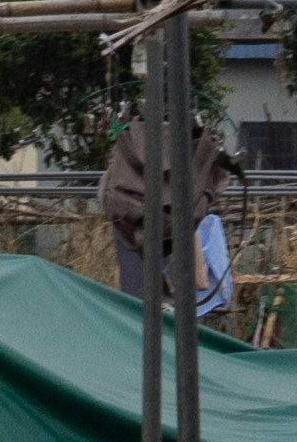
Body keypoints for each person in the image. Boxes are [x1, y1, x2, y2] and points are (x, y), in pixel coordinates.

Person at [100, 111, 236, 319]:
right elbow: (199, 279)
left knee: (141, 312)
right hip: (173, 293)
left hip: (136, 285)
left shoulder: (121, 181)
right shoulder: (188, 194)